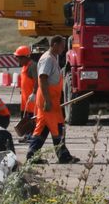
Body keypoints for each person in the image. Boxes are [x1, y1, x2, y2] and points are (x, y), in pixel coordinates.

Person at [28, 36, 78, 164]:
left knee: (42, 128)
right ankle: (63, 156)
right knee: (57, 127)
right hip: (47, 98)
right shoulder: (48, 59)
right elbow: (43, 78)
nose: (63, 49)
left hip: (50, 98)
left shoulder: (52, 57)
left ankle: (32, 155)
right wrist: (47, 100)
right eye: (62, 46)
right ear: (54, 44)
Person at [14, 45, 38, 138]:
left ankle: (31, 135)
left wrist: (34, 93)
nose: (18, 61)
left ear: (25, 57)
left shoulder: (32, 66)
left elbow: (37, 81)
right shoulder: (24, 66)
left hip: (32, 100)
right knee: (25, 118)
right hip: (25, 99)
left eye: (19, 58)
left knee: (32, 118)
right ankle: (27, 134)